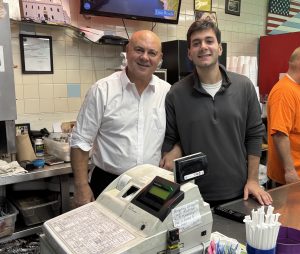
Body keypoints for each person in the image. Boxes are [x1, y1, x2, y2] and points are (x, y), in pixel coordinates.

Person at [160, 19, 272, 206]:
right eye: (196, 43)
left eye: (209, 41)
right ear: (189, 53)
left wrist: (252, 180)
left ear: (219, 48)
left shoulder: (244, 86)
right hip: (192, 194)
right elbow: (171, 138)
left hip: (239, 191)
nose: (203, 47)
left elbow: (254, 135)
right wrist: (173, 151)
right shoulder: (176, 93)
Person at [70, 30, 171, 207]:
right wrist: (81, 186)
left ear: (160, 58)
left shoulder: (167, 92)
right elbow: (80, 141)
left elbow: (178, 134)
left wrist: (175, 151)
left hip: (152, 184)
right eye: (139, 50)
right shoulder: (102, 90)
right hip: (108, 184)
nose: (145, 57)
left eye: (152, 53)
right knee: (106, 234)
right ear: (127, 50)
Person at [267, 47, 300, 186]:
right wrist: (290, 172)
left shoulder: (296, 88)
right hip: (290, 179)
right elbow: (280, 134)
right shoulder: (284, 91)